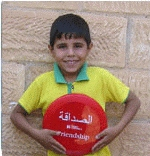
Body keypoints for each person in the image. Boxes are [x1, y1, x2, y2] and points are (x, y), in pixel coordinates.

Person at [10, 13, 141, 156]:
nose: (70, 53)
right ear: (51, 50)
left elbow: (133, 101)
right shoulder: (43, 82)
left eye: (78, 46)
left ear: (89, 48)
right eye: (62, 46)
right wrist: (37, 135)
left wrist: (116, 130)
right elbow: (16, 114)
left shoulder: (101, 78)